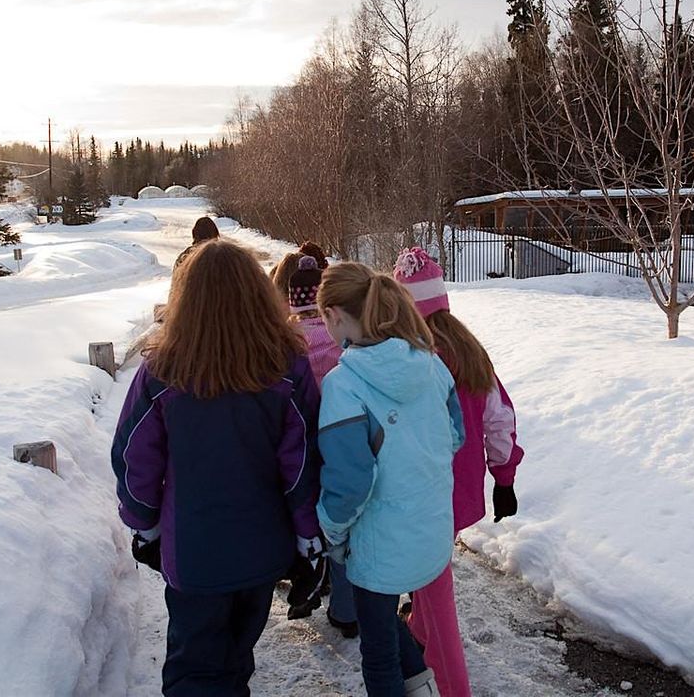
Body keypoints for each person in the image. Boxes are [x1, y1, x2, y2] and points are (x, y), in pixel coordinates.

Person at [110, 239, 323, 696]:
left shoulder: (163, 371)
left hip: (193, 551)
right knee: (235, 658)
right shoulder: (287, 367)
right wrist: (308, 534)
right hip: (263, 547)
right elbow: (303, 461)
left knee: (195, 669)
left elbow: (133, 457)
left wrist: (143, 525)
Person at [315, 262, 463, 697]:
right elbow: (454, 435)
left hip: (376, 547)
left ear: (335, 315)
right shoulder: (432, 365)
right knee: (387, 625)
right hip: (428, 534)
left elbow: (348, 485)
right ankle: (424, 689)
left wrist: (333, 535)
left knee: (377, 651)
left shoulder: (344, 386)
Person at [393, 248, 524, 697]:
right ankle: (419, 631)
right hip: (457, 492)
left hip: (420, 497)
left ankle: (451, 684)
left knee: (435, 588)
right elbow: (499, 418)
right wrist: (502, 475)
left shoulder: (407, 359)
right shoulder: (469, 351)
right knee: (430, 579)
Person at [286, 254, 359, 637]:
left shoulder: (288, 340)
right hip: (340, 436)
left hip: (299, 443)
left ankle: (311, 581)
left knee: (307, 518)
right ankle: (346, 609)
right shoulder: (341, 339)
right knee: (341, 525)